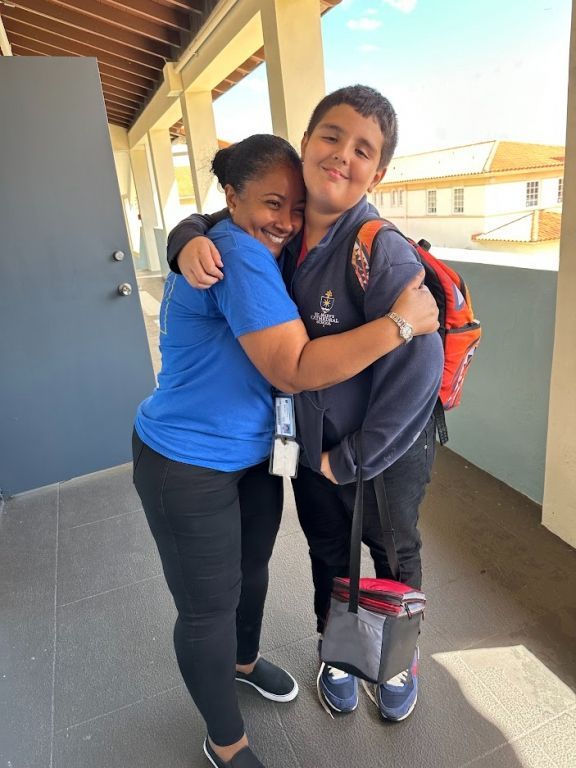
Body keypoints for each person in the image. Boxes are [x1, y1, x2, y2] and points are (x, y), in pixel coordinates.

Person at [133, 133, 439, 768]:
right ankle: (226, 741)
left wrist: (186, 231)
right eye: (273, 203)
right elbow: (296, 366)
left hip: (254, 455)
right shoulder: (236, 254)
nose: (287, 220)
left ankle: (245, 663)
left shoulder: (290, 247)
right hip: (188, 461)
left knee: (253, 573)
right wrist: (398, 324)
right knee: (206, 607)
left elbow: (216, 221)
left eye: (296, 207)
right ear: (231, 197)